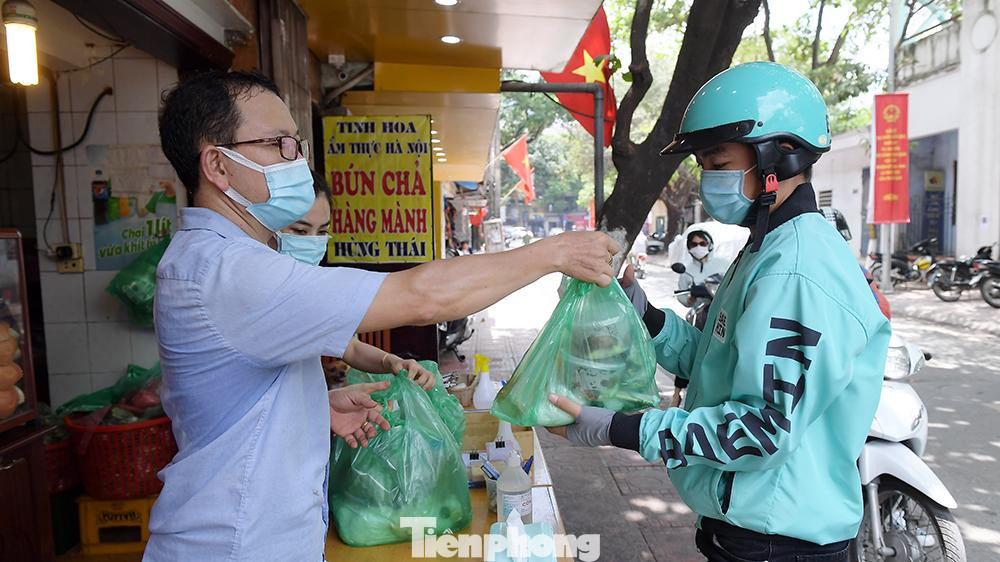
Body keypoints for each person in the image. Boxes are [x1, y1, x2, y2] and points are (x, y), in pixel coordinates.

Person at [147, 70, 618, 561]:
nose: (297, 160)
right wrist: (553, 253)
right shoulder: (228, 272)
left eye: (297, 143)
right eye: (280, 144)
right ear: (219, 167)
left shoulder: (224, 260)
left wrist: (309, 408)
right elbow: (421, 297)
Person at [545, 62, 891, 562]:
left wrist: (619, 427)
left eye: (718, 161)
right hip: (747, 530)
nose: (708, 179)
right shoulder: (766, 247)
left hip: (779, 542)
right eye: (703, 164)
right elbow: (715, 361)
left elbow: (762, 430)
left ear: (782, 155)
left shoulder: (795, 272)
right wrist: (635, 307)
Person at [277, 171, 438, 392]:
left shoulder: (312, 284)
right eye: (300, 231)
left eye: (322, 231)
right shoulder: (257, 289)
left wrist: (391, 362)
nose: (313, 241)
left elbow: (349, 346)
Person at [676, 229, 729, 309]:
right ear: (689, 247)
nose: (698, 247)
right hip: (699, 314)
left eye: (702, 244)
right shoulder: (687, 271)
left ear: (710, 245)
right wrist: (691, 299)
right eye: (694, 244)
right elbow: (682, 295)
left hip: (723, 310)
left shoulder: (723, 264)